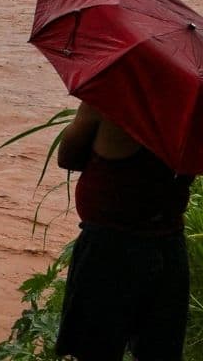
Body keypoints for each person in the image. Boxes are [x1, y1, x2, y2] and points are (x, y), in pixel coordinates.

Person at [54, 101, 196, 361]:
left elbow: (67, 157)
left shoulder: (111, 98)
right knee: (160, 351)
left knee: (94, 350)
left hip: (109, 249)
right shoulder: (191, 105)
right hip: (168, 247)